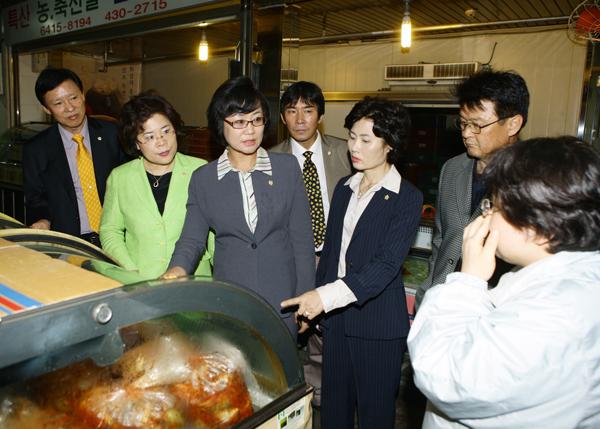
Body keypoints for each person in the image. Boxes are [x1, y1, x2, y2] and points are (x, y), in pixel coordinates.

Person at [407, 136, 600, 428]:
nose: (487, 215)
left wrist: (467, 280)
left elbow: (444, 375)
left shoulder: (555, 314)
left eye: (494, 206)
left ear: (539, 227)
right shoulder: (567, 278)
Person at [281, 97, 423, 428]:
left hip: (376, 326)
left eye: (366, 139)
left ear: (390, 146)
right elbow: (331, 254)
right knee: (333, 411)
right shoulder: (346, 187)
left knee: (375, 415)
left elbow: (386, 266)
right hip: (336, 322)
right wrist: (312, 305)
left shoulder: (407, 197)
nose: (354, 147)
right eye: (352, 137)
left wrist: (323, 298)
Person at [162, 76, 315, 339]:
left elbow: (302, 242)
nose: (250, 130)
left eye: (256, 119)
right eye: (239, 121)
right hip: (231, 303)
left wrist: (305, 300)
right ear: (221, 124)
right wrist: (177, 269)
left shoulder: (287, 168)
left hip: (282, 302)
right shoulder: (204, 179)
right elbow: (192, 240)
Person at [415, 68, 530, 310]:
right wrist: (429, 289)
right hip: (439, 303)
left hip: (494, 312)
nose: (466, 134)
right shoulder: (453, 168)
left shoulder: (534, 178)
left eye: (477, 125)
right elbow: (441, 239)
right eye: (463, 123)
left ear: (513, 124)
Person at [269, 80, 352, 408]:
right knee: (290, 330)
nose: (300, 119)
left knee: (327, 333)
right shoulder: (268, 158)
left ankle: (321, 399)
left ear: (320, 115)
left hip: (334, 257)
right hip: (289, 259)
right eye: (292, 111)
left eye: (308, 110)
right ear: (282, 117)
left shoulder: (346, 151)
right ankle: (291, 395)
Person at [98, 90, 213, 278]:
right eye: (150, 136)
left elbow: (215, 232)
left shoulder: (199, 170)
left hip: (194, 280)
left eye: (167, 131)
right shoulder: (121, 178)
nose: (162, 142)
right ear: (136, 143)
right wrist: (129, 270)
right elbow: (110, 230)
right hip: (142, 279)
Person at [22, 67, 127, 246]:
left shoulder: (113, 134)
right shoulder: (36, 149)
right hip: (67, 243)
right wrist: (42, 220)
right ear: (46, 108)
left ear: (83, 95)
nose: (70, 108)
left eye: (73, 97)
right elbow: (36, 198)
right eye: (58, 103)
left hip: (117, 239)